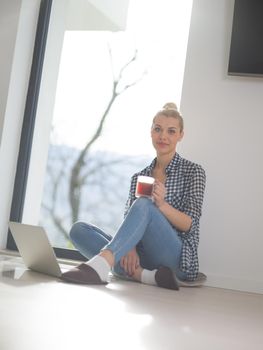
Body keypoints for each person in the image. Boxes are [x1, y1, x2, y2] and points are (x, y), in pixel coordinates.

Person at [61, 103, 206, 290]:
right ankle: (145, 276)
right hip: (144, 258)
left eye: (171, 131)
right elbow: (130, 220)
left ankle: (102, 265)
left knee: (145, 204)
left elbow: (190, 224)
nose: (163, 136)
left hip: (177, 259)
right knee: (78, 230)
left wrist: (161, 205)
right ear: (151, 132)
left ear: (180, 135)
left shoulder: (193, 172)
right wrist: (130, 248)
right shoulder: (139, 177)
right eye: (158, 129)